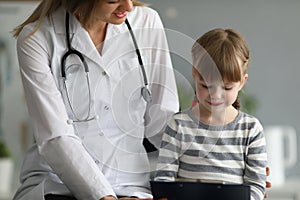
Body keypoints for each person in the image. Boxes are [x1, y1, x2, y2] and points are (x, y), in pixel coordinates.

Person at [12, 0, 179, 200]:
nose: (128, 7)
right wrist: (104, 197)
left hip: (130, 185)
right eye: (113, 1)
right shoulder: (37, 39)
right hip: (56, 184)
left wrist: (180, 183)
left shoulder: (146, 23)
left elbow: (162, 120)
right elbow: (56, 136)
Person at [154, 28, 267, 200]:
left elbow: (256, 186)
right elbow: (164, 179)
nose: (215, 95)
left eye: (227, 88)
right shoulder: (178, 125)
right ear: (195, 75)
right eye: (206, 86)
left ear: (242, 82)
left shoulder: (250, 129)